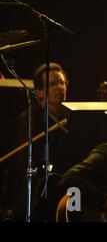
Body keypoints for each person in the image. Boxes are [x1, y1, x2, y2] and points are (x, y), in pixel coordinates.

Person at [8, 62, 69, 221]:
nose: (59, 87)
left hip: (65, 184)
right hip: (37, 188)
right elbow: (24, 163)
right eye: (53, 84)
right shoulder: (30, 118)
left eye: (62, 83)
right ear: (40, 92)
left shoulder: (71, 116)